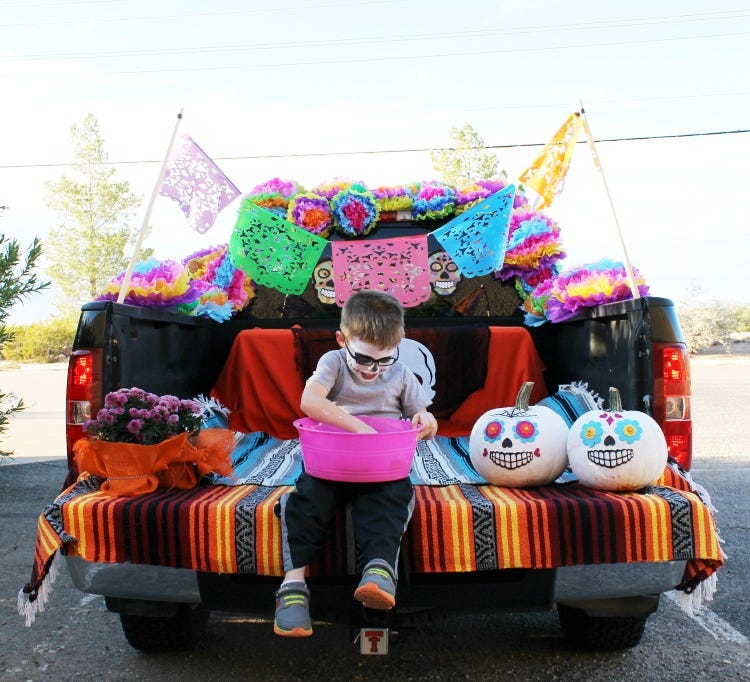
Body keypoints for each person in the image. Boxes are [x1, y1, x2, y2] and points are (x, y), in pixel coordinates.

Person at [274, 290, 438, 637]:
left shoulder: (402, 372)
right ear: (341, 339)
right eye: (363, 359)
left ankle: (378, 573)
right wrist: (359, 428)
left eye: (384, 360)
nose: (372, 370)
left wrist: (426, 419)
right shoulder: (333, 363)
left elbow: (419, 411)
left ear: (398, 345)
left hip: (382, 466)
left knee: (391, 498)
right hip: (332, 460)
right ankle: (293, 588)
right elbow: (309, 401)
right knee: (306, 499)